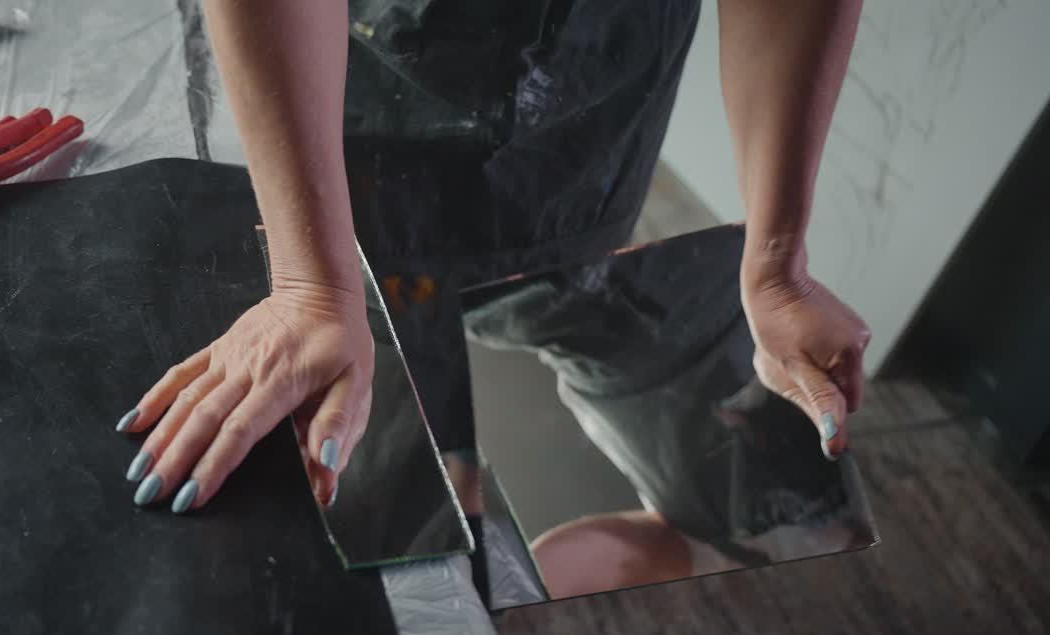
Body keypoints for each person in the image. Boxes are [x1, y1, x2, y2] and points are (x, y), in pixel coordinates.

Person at [114, 0, 871, 516]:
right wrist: (311, 284)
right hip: (339, 87)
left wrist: (775, 258)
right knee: (378, 474)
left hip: (588, 107)